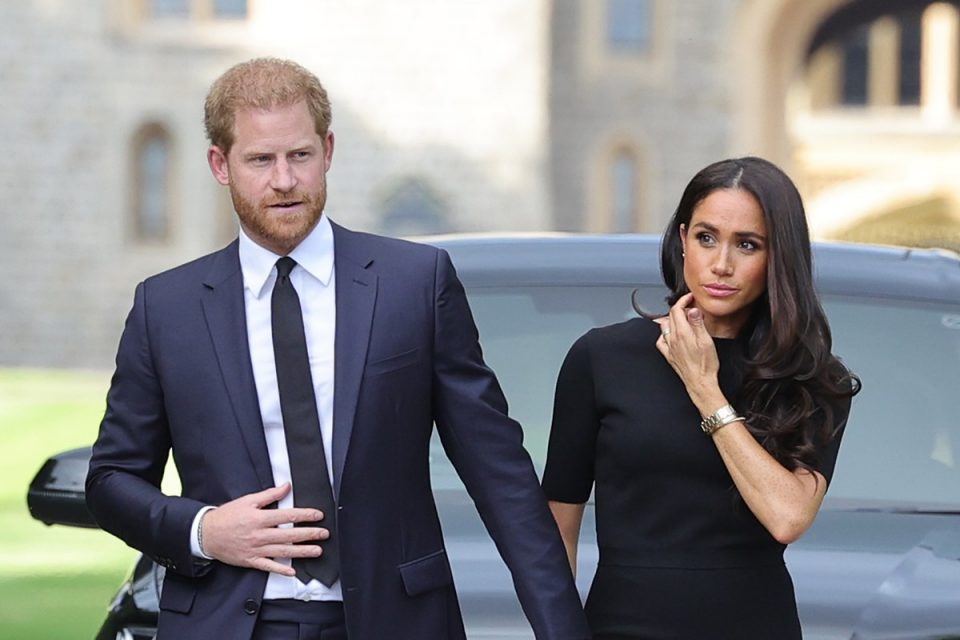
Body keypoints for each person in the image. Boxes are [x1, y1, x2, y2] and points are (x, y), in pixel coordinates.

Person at [86, 58, 589, 640]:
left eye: (299, 155)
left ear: (327, 150)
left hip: (393, 621)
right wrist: (203, 529)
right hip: (228, 621)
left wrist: (563, 629)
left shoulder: (414, 283)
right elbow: (112, 480)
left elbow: (499, 471)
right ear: (220, 165)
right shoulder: (165, 308)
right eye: (260, 160)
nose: (283, 180)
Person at [542, 156, 860, 639]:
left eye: (747, 245)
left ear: (778, 259)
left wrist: (704, 389)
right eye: (706, 238)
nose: (721, 264)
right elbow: (558, 524)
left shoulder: (812, 377)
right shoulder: (602, 358)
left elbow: (787, 517)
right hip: (622, 627)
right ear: (683, 240)